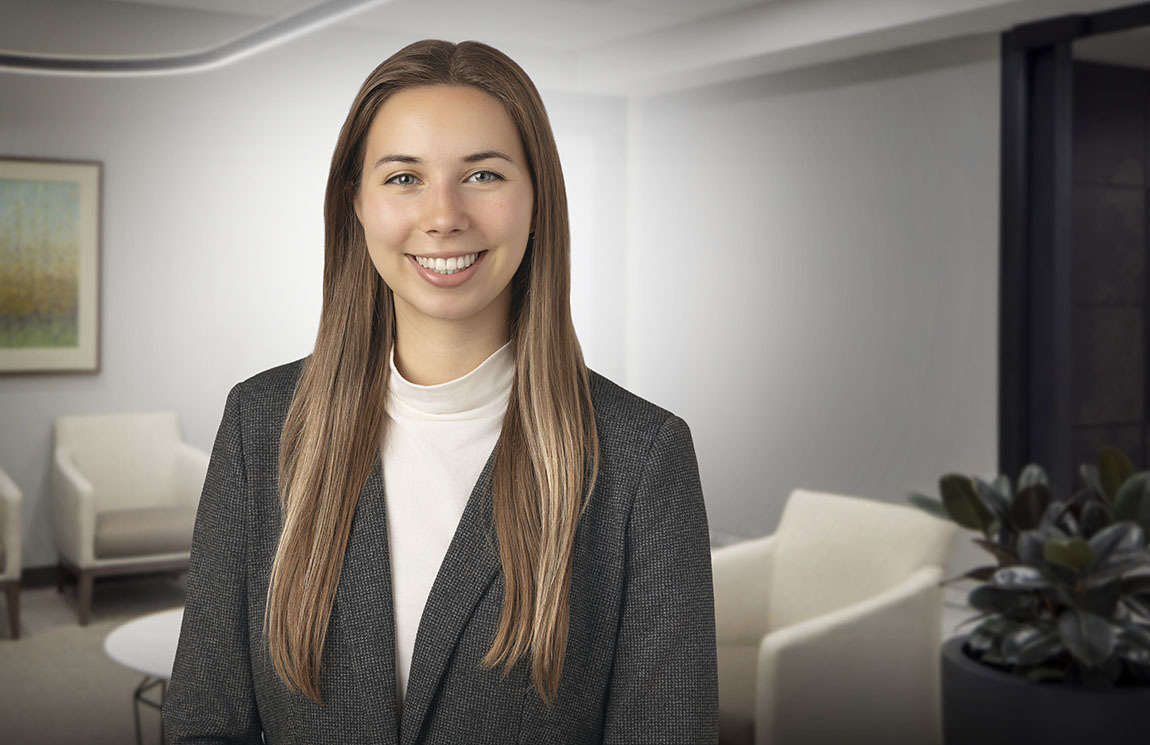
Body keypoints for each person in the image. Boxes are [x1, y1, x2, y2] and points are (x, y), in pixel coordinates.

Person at [162, 39, 716, 745]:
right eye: (403, 178)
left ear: (537, 201)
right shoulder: (259, 423)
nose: (444, 214)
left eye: (483, 174)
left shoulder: (644, 458)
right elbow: (204, 723)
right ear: (355, 204)